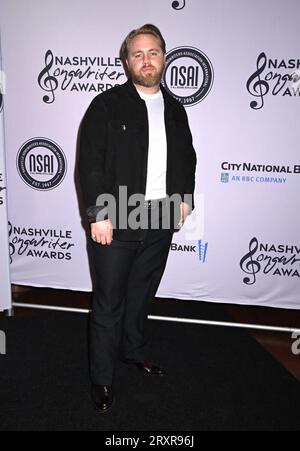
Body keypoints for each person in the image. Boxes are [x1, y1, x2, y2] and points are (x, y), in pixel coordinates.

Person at [78, 24, 196, 413]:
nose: (147, 60)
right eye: (138, 54)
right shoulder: (107, 105)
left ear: (165, 56)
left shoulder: (176, 108)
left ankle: (133, 351)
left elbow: (186, 158)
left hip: (160, 217)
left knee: (142, 295)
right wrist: (98, 214)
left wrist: (183, 199)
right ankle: (102, 378)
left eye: (154, 52)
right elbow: (91, 165)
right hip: (117, 216)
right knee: (109, 302)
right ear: (127, 61)